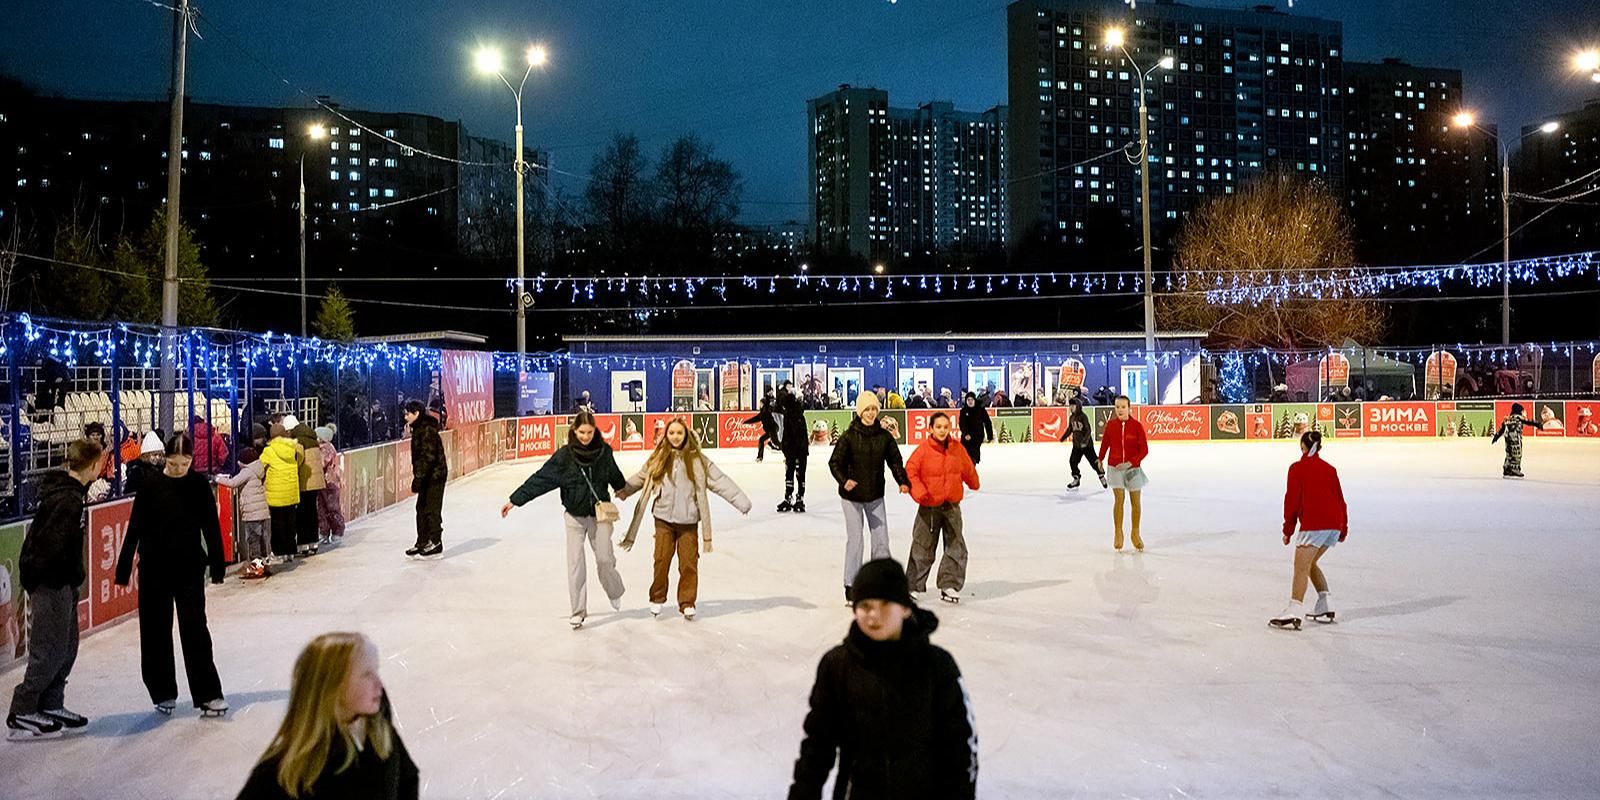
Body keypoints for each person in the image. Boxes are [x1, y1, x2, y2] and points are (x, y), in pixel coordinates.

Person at [787, 558, 978, 800]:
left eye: (886, 604)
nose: (874, 615)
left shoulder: (937, 667)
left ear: (906, 608)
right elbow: (816, 747)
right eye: (865, 606)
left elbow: (960, 749)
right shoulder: (838, 666)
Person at [114, 432, 228, 717]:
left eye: (185, 464)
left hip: (189, 567)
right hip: (154, 568)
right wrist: (124, 566)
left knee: (195, 630)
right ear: (165, 458)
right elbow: (135, 527)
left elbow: (211, 526)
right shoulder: (151, 485)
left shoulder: (198, 485)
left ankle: (208, 694)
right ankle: (163, 691)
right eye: (174, 463)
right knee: (155, 631)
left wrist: (217, 563)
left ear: (191, 461)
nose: (179, 469)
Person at [236, 633, 418, 800]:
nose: (379, 683)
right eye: (366, 675)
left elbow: (407, 779)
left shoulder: (381, 736)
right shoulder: (287, 769)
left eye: (376, 671)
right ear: (332, 686)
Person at [7, 438, 104, 739]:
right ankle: (23, 708)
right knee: (49, 649)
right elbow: (48, 545)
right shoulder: (67, 499)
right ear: (92, 466)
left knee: (67, 646)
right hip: (51, 583)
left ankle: (51, 702)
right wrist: (51, 579)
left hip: (61, 582)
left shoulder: (72, 494)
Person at [501, 410, 626, 629]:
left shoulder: (604, 452)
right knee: (575, 564)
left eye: (589, 432)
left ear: (594, 430)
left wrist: (622, 488)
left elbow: (615, 476)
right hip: (574, 517)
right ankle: (578, 611)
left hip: (600, 516)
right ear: (574, 431)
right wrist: (515, 500)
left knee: (605, 560)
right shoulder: (564, 456)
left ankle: (614, 591)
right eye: (581, 432)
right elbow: (541, 479)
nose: (585, 437)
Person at [617, 419, 752, 619]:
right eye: (671, 433)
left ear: (686, 434)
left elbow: (720, 480)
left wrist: (742, 502)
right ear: (666, 435)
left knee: (688, 563)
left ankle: (687, 602)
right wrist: (624, 490)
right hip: (663, 518)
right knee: (661, 560)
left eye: (679, 433)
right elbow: (640, 477)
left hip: (688, 521)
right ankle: (657, 597)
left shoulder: (698, 460)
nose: (675, 437)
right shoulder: (658, 457)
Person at [829, 392, 911, 604]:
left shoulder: (884, 437)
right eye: (867, 409)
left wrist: (903, 481)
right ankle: (851, 584)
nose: (871, 413)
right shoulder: (848, 437)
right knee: (856, 540)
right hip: (852, 496)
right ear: (860, 412)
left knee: (881, 539)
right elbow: (834, 462)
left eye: (874, 409)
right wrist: (844, 480)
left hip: (875, 494)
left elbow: (895, 461)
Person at [1270, 431, 1348, 630]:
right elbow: (1340, 499)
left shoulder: (1297, 469)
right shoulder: (1330, 469)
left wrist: (1288, 529)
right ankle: (1325, 601)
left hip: (1315, 524)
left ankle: (1294, 609)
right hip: (1333, 524)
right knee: (1311, 563)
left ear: (1303, 447)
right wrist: (1342, 528)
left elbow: (1292, 502)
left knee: (1301, 568)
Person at [903, 412, 979, 605]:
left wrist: (973, 482)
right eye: (938, 427)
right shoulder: (923, 450)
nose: (942, 430)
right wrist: (919, 492)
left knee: (956, 546)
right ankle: (911, 586)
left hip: (952, 505)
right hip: (929, 505)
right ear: (930, 429)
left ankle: (949, 584)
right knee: (923, 547)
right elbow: (911, 472)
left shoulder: (957, 449)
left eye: (945, 427)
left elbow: (967, 468)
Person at [1098, 395, 1150, 551]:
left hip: (1133, 469)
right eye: (1117, 407)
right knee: (1119, 499)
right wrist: (1099, 459)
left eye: (1123, 407)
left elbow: (1144, 450)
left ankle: (1135, 533)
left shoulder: (1137, 426)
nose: (1119, 410)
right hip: (1115, 467)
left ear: (1129, 408)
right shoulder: (1111, 425)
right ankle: (1118, 532)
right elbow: (1105, 444)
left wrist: (1131, 462)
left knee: (1135, 502)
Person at [216, 440, 273, 579]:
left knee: (253, 540)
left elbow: (233, 482)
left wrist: (217, 478)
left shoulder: (247, 472)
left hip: (252, 513)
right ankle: (266, 565)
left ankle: (257, 568)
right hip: (264, 512)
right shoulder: (259, 468)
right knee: (264, 540)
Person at [404, 401, 446, 558]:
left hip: (435, 476)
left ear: (417, 414)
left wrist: (419, 478)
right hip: (426, 475)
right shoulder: (418, 429)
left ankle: (435, 542)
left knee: (431, 509)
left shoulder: (427, 429)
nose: (405, 416)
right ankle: (422, 541)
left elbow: (428, 457)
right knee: (421, 508)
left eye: (408, 413)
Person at [261, 423, 304, 563]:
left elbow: (261, 466)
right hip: (291, 491)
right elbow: (301, 459)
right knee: (290, 522)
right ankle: (290, 551)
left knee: (277, 523)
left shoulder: (269, 450)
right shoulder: (293, 448)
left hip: (276, 493)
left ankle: (279, 552)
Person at [287, 415, 327, 557]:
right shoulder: (313, 439)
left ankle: (303, 543)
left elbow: (298, 461)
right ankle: (313, 541)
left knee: (302, 513)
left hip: (304, 481)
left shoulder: (298, 442)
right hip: (316, 482)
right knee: (312, 511)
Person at [1059, 396, 1107, 490]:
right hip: (1077, 445)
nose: (1071, 408)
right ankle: (1076, 478)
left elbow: (1088, 430)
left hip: (1087, 445)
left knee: (1094, 462)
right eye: (1070, 406)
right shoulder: (1072, 417)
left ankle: (1101, 475)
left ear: (1078, 406)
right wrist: (1064, 437)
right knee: (1073, 461)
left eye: (1073, 406)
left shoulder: (1083, 416)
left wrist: (1085, 441)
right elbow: (1070, 429)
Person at [777, 382, 811, 513]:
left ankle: (799, 499)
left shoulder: (795, 415)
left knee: (799, 473)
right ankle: (789, 497)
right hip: (792, 450)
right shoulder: (789, 414)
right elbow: (787, 434)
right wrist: (786, 448)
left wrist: (794, 451)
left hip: (798, 450)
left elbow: (799, 436)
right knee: (790, 473)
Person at [316, 426, 346, 543]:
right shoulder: (320, 448)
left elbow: (322, 462)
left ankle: (337, 530)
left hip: (330, 483)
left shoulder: (327, 448)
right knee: (321, 508)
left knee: (332, 507)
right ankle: (324, 531)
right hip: (322, 482)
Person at [957, 392, 994, 466]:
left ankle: (972, 466)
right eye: (968, 400)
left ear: (974, 400)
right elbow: (962, 424)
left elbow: (987, 422)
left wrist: (990, 436)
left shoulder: (980, 410)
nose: (970, 402)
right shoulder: (963, 411)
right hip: (966, 436)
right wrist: (965, 434)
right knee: (964, 453)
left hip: (978, 435)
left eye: (971, 400)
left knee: (973, 454)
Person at [1491, 403, 1526, 478]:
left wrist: (1496, 437)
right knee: (1516, 453)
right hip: (1515, 439)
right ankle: (1514, 469)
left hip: (1507, 438)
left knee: (1509, 453)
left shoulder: (1508, 419)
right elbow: (1529, 422)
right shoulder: (1519, 418)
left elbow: (1502, 428)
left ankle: (1507, 469)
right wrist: (1537, 424)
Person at [744, 393, 779, 463]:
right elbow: (756, 418)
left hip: (772, 429)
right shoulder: (763, 412)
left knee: (777, 444)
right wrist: (746, 422)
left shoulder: (766, 411)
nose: (759, 405)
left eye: (760, 403)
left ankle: (790, 454)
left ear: (763, 404)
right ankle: (760, 457)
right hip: (770, 430)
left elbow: (757, 418)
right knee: (761, 440)